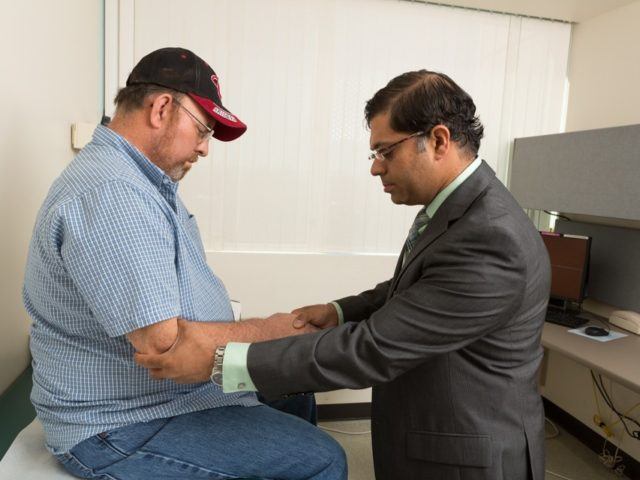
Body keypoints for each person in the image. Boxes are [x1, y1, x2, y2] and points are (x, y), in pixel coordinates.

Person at [137, 70, 552, 480]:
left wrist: (220, 360)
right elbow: (417, 287)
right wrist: (339, 311)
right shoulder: (458, 206)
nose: (375, 168)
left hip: (466, 455)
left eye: (385, 151)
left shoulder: (491, 237)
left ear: (439, 141)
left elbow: (372, 351)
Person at [22, 47, 346, 480]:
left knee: (293, 389)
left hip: (164, 399)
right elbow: (164, 347)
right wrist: (273, 329)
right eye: (203, 130)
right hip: (119, 425)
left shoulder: (144, 184)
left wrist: (270, 339)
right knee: (324, 458)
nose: (205, 149)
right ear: (160, 108)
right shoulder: (112, 193)